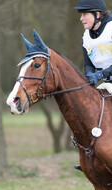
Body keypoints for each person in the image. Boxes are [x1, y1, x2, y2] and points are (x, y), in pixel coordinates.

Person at [73, 0, 112, 171]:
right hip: (106, 82)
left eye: (84, 14)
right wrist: (89, 74)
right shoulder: (86, 36)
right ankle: (92, 157)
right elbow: (88, 62)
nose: (81, 19)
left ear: (97, 15)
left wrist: (101, 74)